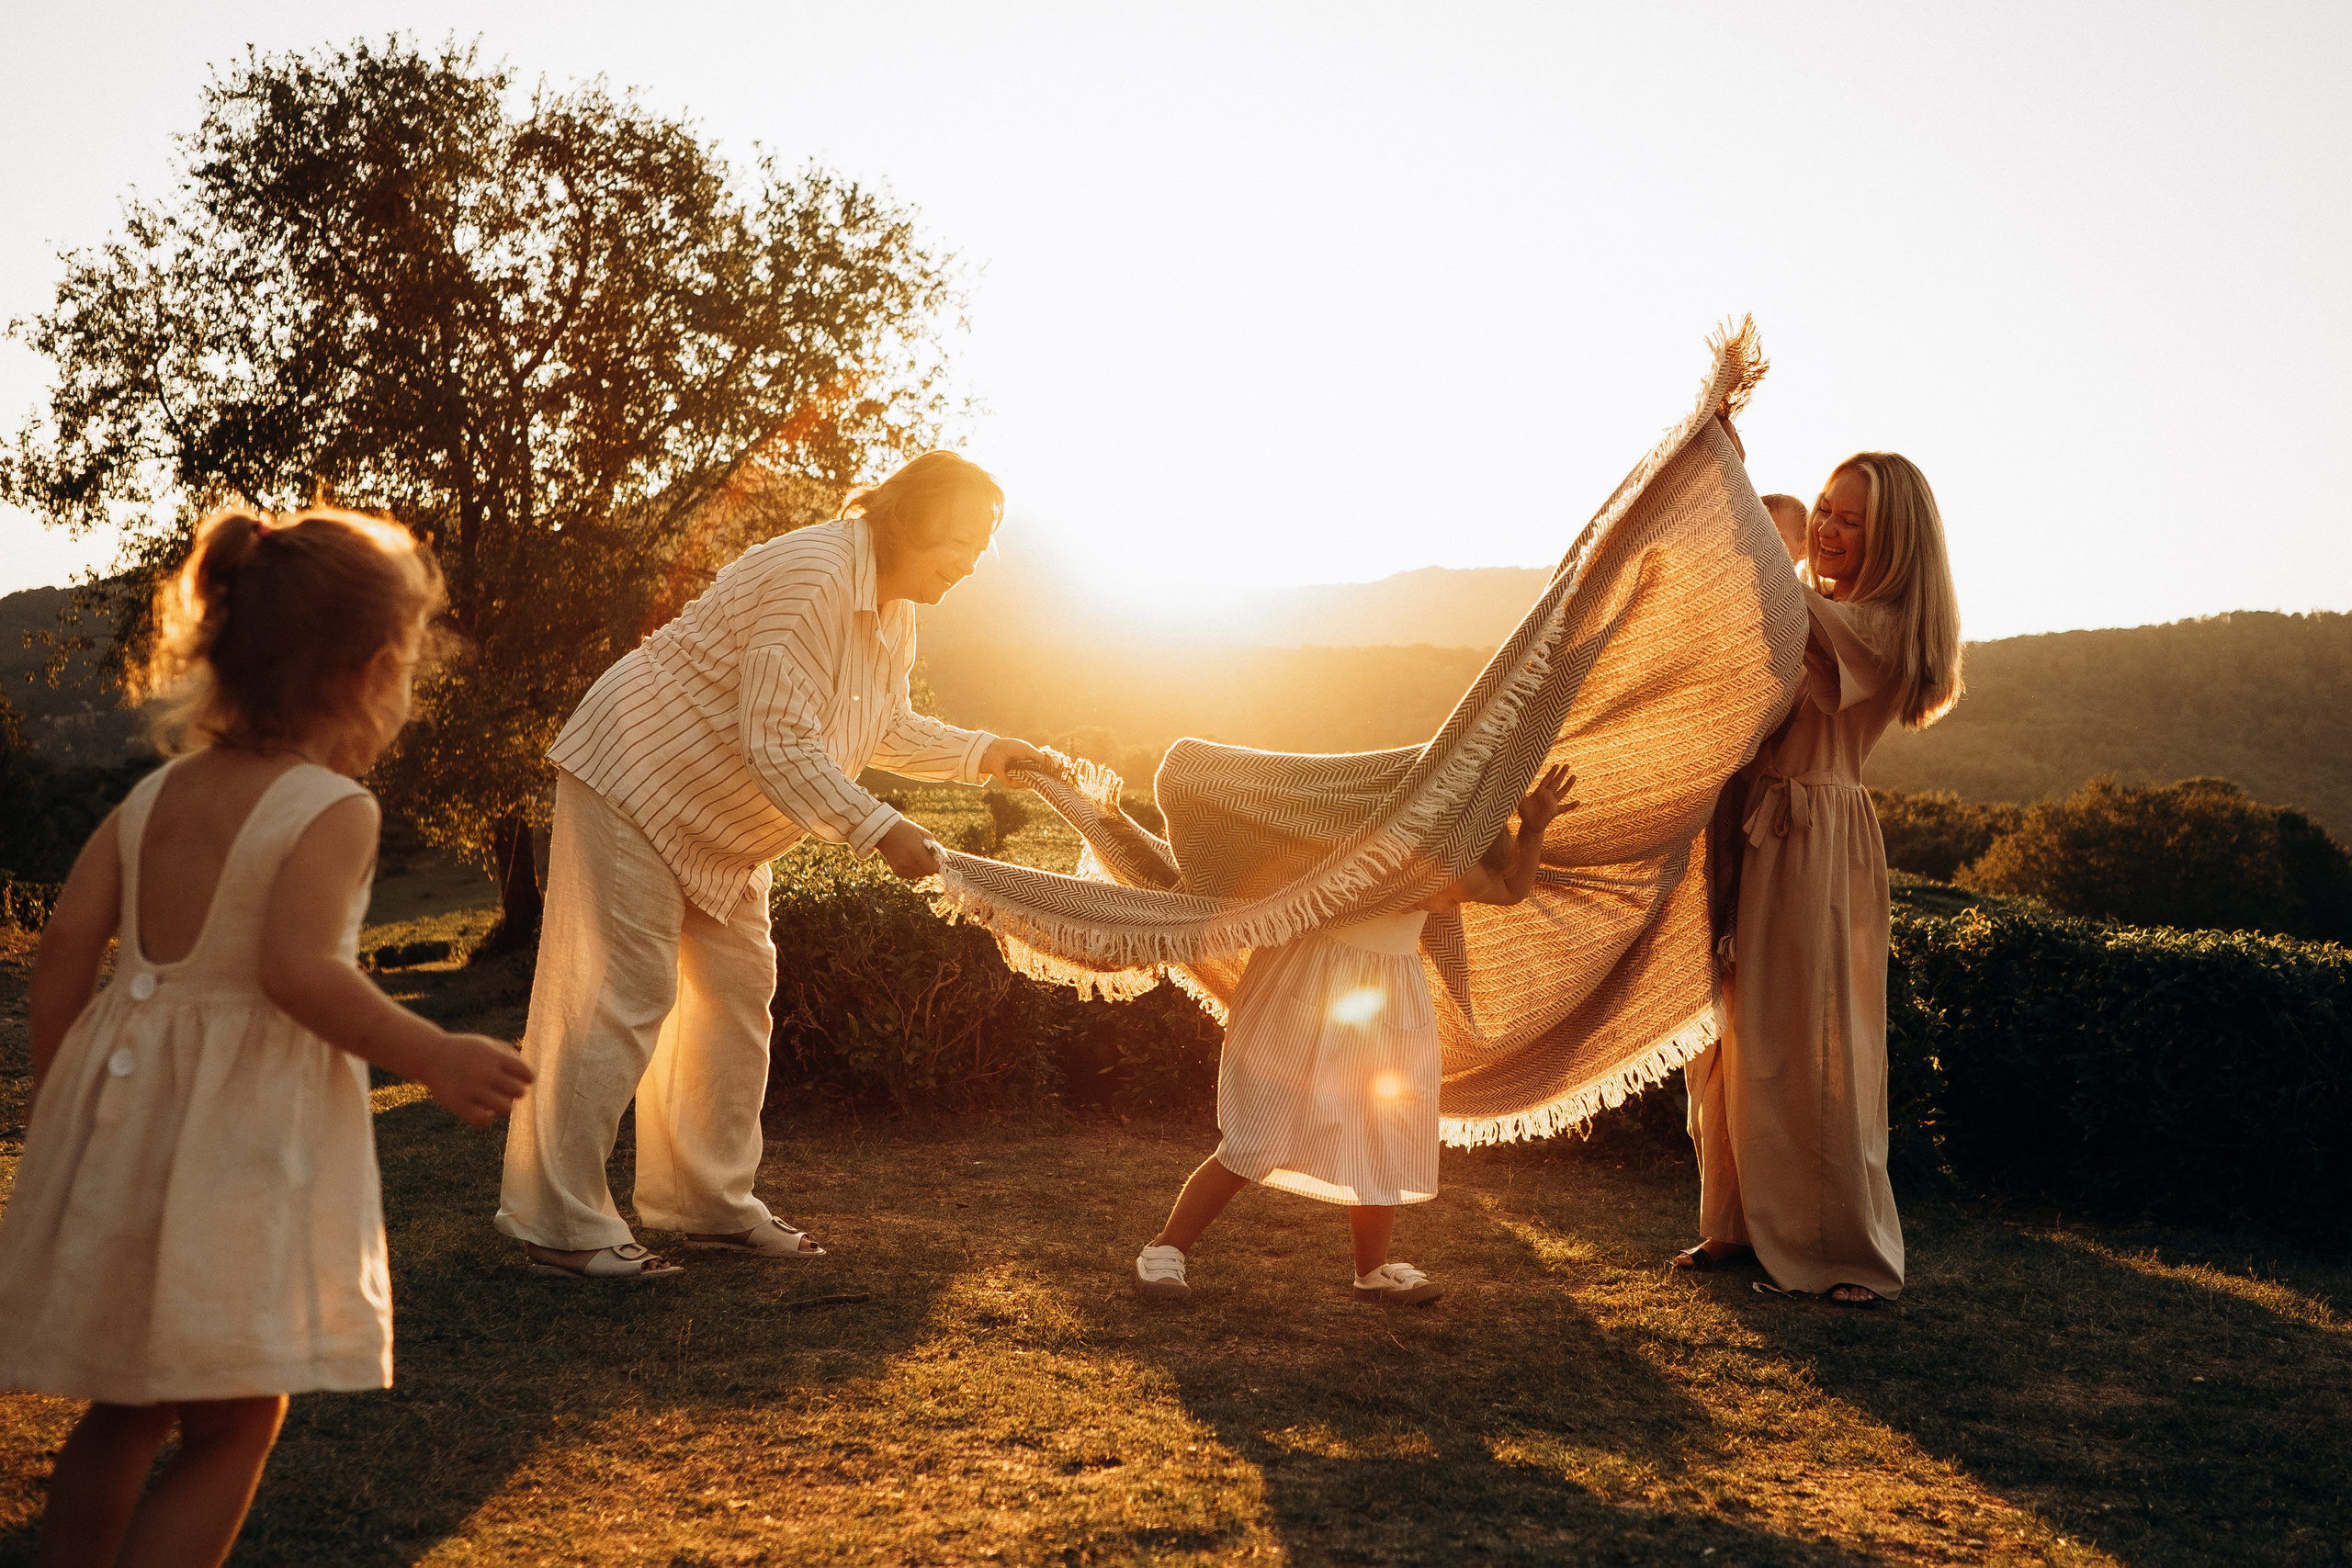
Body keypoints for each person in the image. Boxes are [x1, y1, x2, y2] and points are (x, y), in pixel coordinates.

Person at [0, 507, 533, 1565]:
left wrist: (69, 1097)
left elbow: (65, 943)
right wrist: (429, 1052)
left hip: (127, 1122)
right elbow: (298, 972)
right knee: (236, 1420)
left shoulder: (152, 797)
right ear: (375, 669)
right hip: (236, 1150)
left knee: (128, 1405)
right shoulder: (329, 808)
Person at [496, 450, 1058, 1280]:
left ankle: (707, 1208)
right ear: (908, 516)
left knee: (735, 995)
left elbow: (880, 723)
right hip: (641, 771)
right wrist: (878, 827)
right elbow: (777, 741)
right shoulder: (816, 579)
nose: (974, 560)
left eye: (984, 545)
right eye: (965, 536)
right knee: (621, 993)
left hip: (723, 821)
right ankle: (557, 1222)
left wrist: (984, 753)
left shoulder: (893, 601)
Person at [1677, 447, 1964, 1305]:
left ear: (1895, 542)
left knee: (1813, 1041)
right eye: (1828, 512)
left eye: (1853, 521)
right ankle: (1734, 1226)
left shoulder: (1878, 628)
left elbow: (1772, 596)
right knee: (1732, 1037)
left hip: (1813, 839)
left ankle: (1849, 1254)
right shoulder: (1828, 610)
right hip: (1753, 828)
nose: (1831, 530)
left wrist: (1723, 479)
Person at [1134, 763, 1577, 1305]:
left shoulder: (1460, 869)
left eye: (1459, 900)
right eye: (1450, 892)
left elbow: (1509, 889)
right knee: (1262, 1130)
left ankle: (1372, 1270)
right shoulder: (1368, 861)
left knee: (1381, 1128)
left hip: (1389, 999)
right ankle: (1164, 1250)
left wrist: (1532, 830)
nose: (1448, 907)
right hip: (1305, 989)